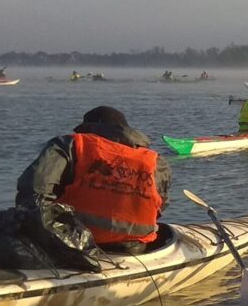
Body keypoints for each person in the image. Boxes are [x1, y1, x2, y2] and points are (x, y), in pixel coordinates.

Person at [15, 106, 171, 254]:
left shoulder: (70, 145)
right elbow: (160, 205)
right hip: (135, 247)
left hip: (72, 245)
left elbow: (35, 193)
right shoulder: (155, 161)